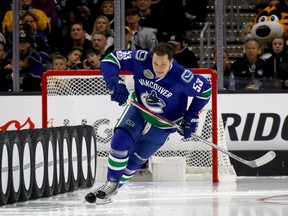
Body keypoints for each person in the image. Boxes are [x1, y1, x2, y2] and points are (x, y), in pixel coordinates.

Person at [84, 42, 212, 204]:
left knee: (136, 158)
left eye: (163, 64)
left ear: (171, 62)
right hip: (140, 109)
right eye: (155, 63)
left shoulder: (181, 77)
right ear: (152, 58)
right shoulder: (141, 59)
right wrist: (115, 82)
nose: (158, 68)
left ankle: (112, 188)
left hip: (165, 123)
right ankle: (110, 184)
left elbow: (206, 89)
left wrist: (192, 114)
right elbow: (110, 59)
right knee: (120, 140)